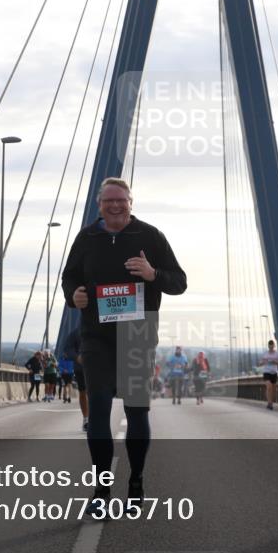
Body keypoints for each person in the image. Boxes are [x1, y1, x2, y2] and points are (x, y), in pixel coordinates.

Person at [62, 177, 187, 512]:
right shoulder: (87, 237)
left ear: (131, 203)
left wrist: (151, 274)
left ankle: (136, 478)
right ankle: (102, 492)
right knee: (99, 409)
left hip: (137, 335)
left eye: (121, 200)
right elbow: (69, 276)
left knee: (135, 410)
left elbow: (179, 282)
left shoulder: (150, 236)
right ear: (99, 205)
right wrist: (73, 296)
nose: (115, 206)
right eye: (108, 201)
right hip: (96, 336)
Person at [63, 328, 89, 431]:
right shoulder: (76, 332)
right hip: (81, 368)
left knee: (95, 393)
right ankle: (86, 419)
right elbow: (67, 348)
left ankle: (96, 418)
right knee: (83, 392)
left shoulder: (103, 327)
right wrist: (77, 357)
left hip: (98, 368)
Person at [259, 341, 278, 410]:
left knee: (273, 389)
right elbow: (260, 363)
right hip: (266, 372)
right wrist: (264, 362)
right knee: (269, 386)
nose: (271, 348)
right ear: (268, 346)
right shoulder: (265, 354)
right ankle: (269, 403)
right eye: (270, 346)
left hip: (274, 372)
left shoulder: (277, 353)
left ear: (274, 346)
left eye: (272, 346)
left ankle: (271, 402)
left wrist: (274, 361)